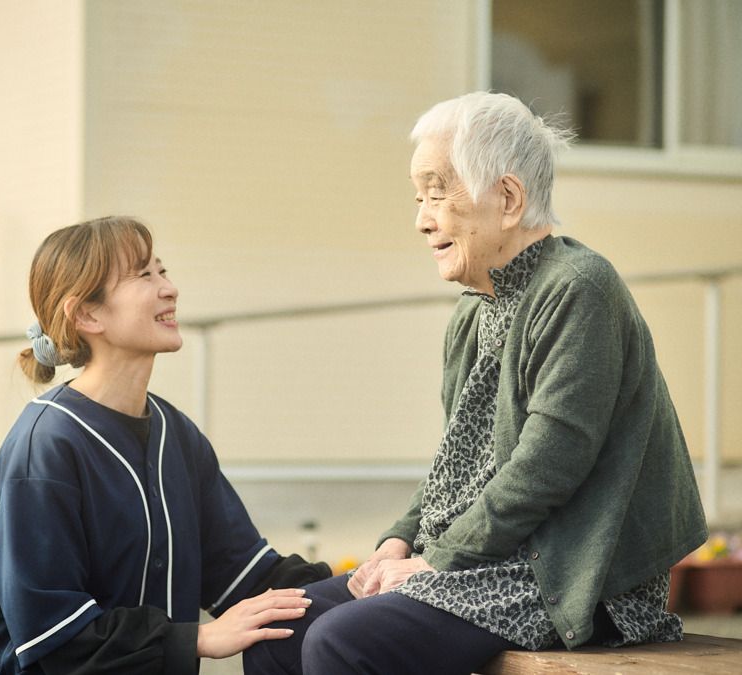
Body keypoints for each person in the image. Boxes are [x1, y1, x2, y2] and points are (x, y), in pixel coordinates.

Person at [243, 92, 708, 675]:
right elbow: (453, 467)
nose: (421, 218)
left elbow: (549, 464)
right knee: (275, 635)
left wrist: (437, 561)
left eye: (438, 192)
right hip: (477, 560)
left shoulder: (578, 287)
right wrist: (399, 541)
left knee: (337, 642)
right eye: (419, 197)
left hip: (562, 573)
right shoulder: (474, 310)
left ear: (508, 199)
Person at [0, 216, 330, 674]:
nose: (170, 288)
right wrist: (198, 638)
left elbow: (244, 575)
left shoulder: (177, 433)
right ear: (86, 314)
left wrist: (358, 587)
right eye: (144, 275)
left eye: (163, 271)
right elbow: (53, 636)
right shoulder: (45, 448)